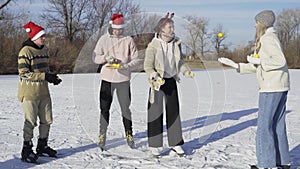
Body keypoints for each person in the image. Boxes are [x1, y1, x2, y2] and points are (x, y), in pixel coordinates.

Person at [218, 10, 290, 169]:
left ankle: (266, 164)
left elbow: (279, 61)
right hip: (280, 85)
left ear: (263, 23)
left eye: (257, 22)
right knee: (277, 124)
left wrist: (260, 60)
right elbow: (259, 66)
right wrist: (236, 65)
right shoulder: (271, 37)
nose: (254, 25)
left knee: (264, 126)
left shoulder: (268, 38)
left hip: (271, 88)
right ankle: (283, 161)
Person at [143, 13, 195, 157]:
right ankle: (154, 145)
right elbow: (147, 66)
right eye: (169, 27)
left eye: (173, 27)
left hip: (171, 81)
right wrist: (154, 75)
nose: (172, 29)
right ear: (162, 30)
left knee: (174, 112)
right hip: (157, 82)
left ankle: (176, 143)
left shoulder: (176, 43)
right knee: (155, 112)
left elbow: (180, 63)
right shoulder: (153, 45)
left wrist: (186, 71)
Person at [92, 13, 140, 150]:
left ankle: (129, 134)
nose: (119, 31)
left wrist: (126, 66)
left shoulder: (128, 40)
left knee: (126, 109)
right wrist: (105, 58)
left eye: (121, 28)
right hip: (107, 79)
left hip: (123, 79)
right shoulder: (103, 39)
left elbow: (136, 59)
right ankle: (102, 134)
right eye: (116, 28)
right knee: (104, 108)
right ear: (112, 27)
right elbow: (95, 57)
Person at [18, 21, 62, 163]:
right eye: (42, 36)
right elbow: (24, 74)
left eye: (44, 36)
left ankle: (42, 146)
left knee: (47, 120)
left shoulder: (43, 50)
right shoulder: (25, 52)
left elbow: (44, 70)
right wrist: (44, 76)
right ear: (34, 37)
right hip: (29, 93)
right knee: (30, 121)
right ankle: (26, 149)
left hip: (44, 92)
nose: (44, 38)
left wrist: (51, 77)